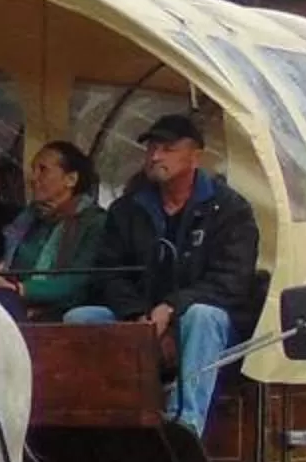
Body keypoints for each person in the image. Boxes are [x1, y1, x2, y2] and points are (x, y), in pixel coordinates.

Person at [65, 110, 259, 435]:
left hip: (209, 327)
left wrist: (171, 309)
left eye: (167, 149)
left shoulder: (230, 209)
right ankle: (95, 421)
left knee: (202, 316)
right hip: (143, 317)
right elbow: (109, 272)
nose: (155, 156)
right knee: (79, 319)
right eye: (151, 147)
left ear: (195, 155)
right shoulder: (128, 209)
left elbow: (232, 280)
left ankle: (185, 425)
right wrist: (137, 317)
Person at [0, 139, 109, 315]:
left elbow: (78, 283)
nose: (33, 178)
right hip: (12, 299)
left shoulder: (93, 223)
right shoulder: (27, 219)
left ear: (71, 179)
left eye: (43, 170)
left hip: (60, 312)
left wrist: (20, 289)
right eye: (33, 169)